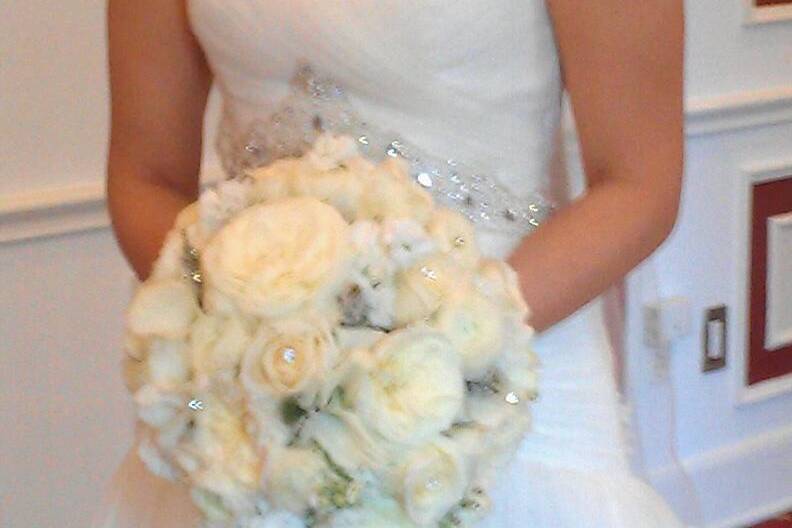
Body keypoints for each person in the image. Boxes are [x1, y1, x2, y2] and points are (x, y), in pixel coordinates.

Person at [98, 0, 685, 526]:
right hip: (258, 388)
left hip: (514, 348)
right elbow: (144, 177)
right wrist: (240, 328)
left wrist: (428, 348)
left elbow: (639, 188)